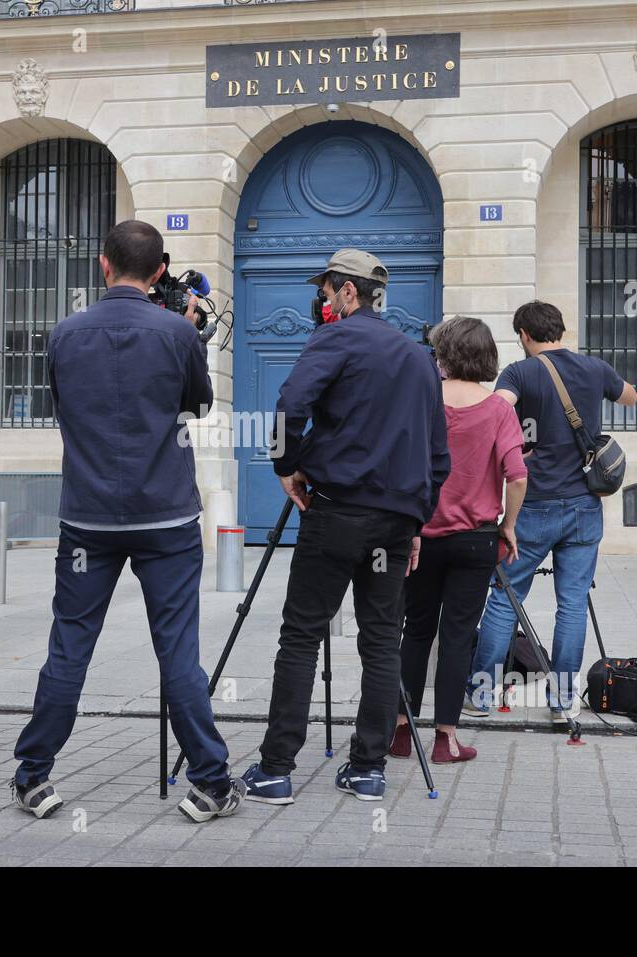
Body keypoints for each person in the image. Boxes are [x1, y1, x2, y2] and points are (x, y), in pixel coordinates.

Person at [10, 220, 243, 825]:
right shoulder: (176, 331)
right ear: (160, 273)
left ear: (102, 264)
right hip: (166, 515)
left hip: (88, 517)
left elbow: (62, 407)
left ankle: (34, 776)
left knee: (70, 646)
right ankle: (211, 781)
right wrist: (187, 338)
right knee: (177, 652)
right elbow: (197, 405)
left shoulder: (63, 333)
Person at [238, 248, 451, 805]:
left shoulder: (335, 339)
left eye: (328, 290)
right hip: (393, 522)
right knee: (382, 641)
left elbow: (289, 405)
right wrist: (415, 525)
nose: (323, 301)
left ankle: (276, 768)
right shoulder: (418, 357)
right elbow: (437, 455)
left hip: (335, 514)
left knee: (302, 634)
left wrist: (286, 467)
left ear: (348, 292)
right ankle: (367, 768)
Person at [466, 301, 637, 721]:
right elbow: (630, 396)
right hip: (584, 506)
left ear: (524, 334)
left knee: (506, 599)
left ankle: (483, 696)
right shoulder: (595, 368)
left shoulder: (520, 372)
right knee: (573, 604)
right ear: (559, 330)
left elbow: (498, 408)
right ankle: (562, 703)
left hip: (533, 505)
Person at [393, 317, 527, 764]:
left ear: (445, 355)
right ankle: (445, 739)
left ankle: (399, 730)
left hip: (421, 537)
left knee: (415, 632)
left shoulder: (421, 402)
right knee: (456, 638)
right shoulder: (498, 410)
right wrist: (508, 524)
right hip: (475, 540)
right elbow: (518, 475)